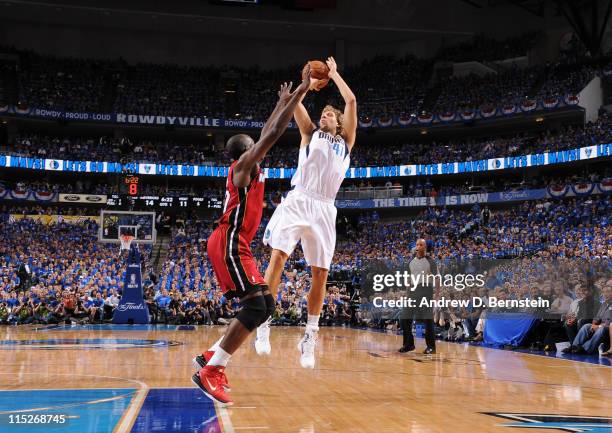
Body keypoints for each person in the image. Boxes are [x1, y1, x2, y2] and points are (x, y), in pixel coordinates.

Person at [191, 70, 311, 405]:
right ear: (247, 153)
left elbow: (265, 132)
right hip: (228, 239)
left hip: (235, 242)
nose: (263, 153)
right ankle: (211, 371)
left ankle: (210, 357)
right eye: (256, 149)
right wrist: (301, 92)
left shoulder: (249, 165)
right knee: (256, 304)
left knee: (265, 305)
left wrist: (280, 104)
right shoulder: (242, 168)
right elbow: (270, 135)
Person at [255, 57, 357, 369]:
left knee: (320, 274)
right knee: (278, 258)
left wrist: (336, 74)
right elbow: (294, 107)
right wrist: (304, 85)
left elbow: (350, 100)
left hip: (325, 207)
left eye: (329, 114)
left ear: (337, 123)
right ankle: (263, 323)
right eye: (323, 113)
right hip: (300, 199)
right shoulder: (309, 133)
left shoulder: (347, 142)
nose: (324, 116)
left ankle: (310, 335)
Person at [399, 238, 438, 354]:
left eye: (421, 245)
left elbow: (437, 278)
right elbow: (408, 280)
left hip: (426, 290)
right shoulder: (410, 262)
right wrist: (407, 294)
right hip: (413, 291)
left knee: (428, 320)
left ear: (425, 247)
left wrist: (437, 295)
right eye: (417, 244)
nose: (418, 247)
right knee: (404, 319)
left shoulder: (431, 261)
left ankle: (431, 347)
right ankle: (409, 344)